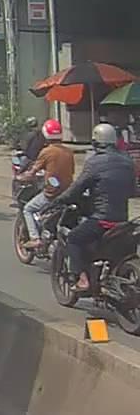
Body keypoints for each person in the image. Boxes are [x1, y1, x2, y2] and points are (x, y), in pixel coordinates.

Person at [49, 123, 138, 291]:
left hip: (102, 219)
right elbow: (133, 190)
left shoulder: (94, 162)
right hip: (122, 220)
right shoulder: (127, 161)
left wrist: (59, 200)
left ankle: (82, 279)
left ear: (96, 142)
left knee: (74, 238)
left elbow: (77, 187)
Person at [16, 119, 73, 249]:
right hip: (68, 192)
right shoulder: (69, 152)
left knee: (28, 209)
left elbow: (32, 172)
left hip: (51, 193)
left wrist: (21, 177)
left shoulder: (46, 152)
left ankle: (35, 238)